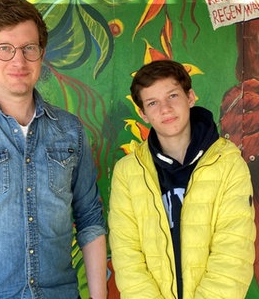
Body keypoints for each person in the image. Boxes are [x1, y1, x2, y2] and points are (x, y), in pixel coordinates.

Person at [0, 0, 107, 299]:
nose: (19, 61)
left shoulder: (70, 130)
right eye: (4, 49)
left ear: (41, 54)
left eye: (29, 48)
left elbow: (90, 219)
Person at [108, 59, 255, 299]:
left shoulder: (228, 163)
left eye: (173, 96)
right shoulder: (128, 173)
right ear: (143, 114)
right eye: (153, 103)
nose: (165, 109)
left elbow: (233, 254)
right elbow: (128, 257)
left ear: (190, 97)